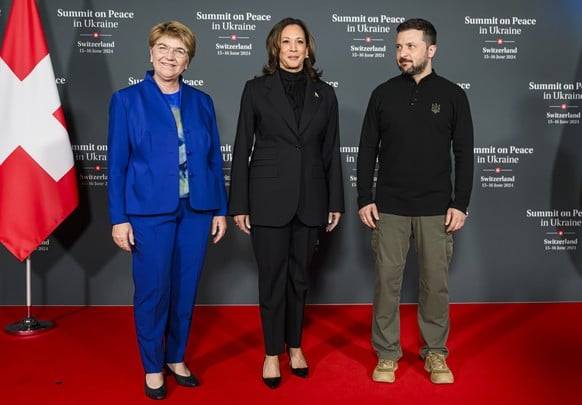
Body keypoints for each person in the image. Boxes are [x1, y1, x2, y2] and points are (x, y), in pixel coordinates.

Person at [107, 21, 227, 400]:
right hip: (148, 212)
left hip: (196, 209)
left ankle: (176, 357)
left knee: (185, 288)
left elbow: (211, 160)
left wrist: (220, 210)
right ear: (151, 53)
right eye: (163, 47)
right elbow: (117, 165)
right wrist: (118, 218)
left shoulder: (201, 102)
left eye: (179, 51)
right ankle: (153, 366)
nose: (169, 56)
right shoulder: (127, 100)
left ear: (188, 61)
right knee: (153, 290)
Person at [357, 18, 474, 385]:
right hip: (389, 206)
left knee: (435, 284)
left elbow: (465, 154)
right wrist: (364, 197)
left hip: (437, 208)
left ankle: (436, 352)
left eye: (410, 46)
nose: (402, 54)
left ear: (431, 50)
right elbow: (366, 152)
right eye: (398, 47)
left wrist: (461, 203)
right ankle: (387, 354)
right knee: (386, 283)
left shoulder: (454, 95)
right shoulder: (382, 93)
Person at [229, 17, 344, 389]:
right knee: (272, 280)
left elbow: (331, 152)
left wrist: (335, 201)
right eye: (285, 42)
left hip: (311, 199)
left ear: (308, 48)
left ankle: (295, 347)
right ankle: (270, 353)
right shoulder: (255, 89)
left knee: (299, 279)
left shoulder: (324, 93)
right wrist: (240, 204)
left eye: (299, 42)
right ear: (274, 48)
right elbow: (242, 145)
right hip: (267, 200)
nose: (293, 49)